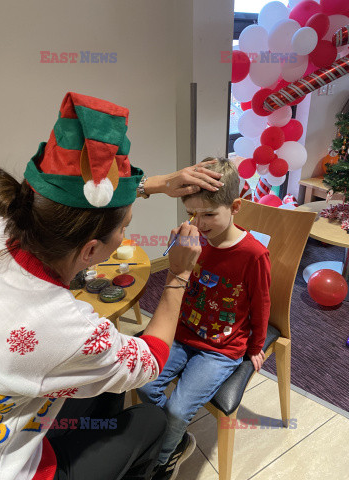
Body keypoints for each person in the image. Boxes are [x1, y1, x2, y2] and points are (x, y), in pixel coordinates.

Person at [0, 92, 225, 480]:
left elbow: (76, 198)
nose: (127, 233)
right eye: (126, 226)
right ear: (91, 250)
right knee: (152, 419)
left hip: (17, 404)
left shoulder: (4, 227)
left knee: (108, 394)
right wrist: (178, 276)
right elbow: (148, 362)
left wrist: (160, 183)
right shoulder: (66, 328)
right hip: (14, 468)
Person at [138, 157, 271, 480]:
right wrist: (176, 253)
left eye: (209, 214)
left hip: (221, 348)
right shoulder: (192, 240)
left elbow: (262, 302)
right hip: (184, 333)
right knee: (142, 381)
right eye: (192, 214)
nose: (199, 223)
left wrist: (255, 346)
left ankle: (164, 458)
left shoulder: (253, 255)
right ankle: (170, 433)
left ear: (235, 206)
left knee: (179, 409)